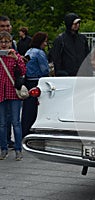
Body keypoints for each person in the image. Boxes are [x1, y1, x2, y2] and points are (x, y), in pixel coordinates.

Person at [0, 31, 26, 160]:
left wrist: (16, 59)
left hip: (13, 93)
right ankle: (3, 148)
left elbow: (23, 71)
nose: (4, 44)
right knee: (2, 123)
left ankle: (18, 149)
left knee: (16, 122)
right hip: (1, 93)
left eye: (7, 41)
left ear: (11, 43)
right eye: (2, 42)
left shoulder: (15, 55)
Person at [21, 32, 49, 138]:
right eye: (45, 41)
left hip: (28, 80)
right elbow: (44, 69)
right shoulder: (39, 53)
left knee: (27, 108)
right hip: (37, 81)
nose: (46, 44)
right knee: (34, 108)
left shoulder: (29, 51)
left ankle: (25, 129)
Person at [0, 15, 16, 149]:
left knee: (9, 116)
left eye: (7, 26)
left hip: (9, 86)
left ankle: (6, 140)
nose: (6, 28)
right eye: (2, 26)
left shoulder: (13, 43)